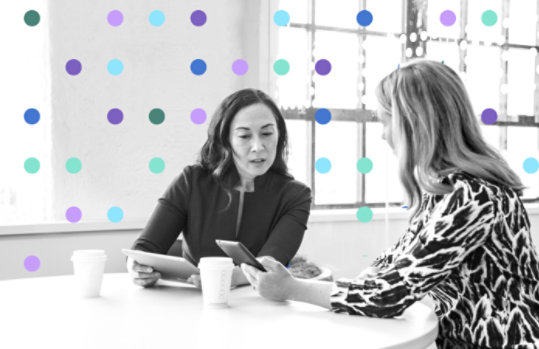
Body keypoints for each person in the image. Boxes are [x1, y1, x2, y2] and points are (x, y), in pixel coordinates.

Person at [242, 60, 539, 348]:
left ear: (416, 124)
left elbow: (392, 295)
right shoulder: (444, 191)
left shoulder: (473, 197)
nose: (383, 134)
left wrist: (292, 288)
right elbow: (391, 267)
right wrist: (305, 283)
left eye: (385, 121)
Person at [127, 88, 312, 288]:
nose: (258, 146)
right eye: (244, 136)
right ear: (226, 140)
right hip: (192, 304)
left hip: (258, 306)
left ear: (279, 135)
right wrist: (136, 268)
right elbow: (144, 249)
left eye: (267, 133)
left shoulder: (296, 196)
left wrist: (231, 277)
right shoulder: (191, 181)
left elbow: (270, 265)